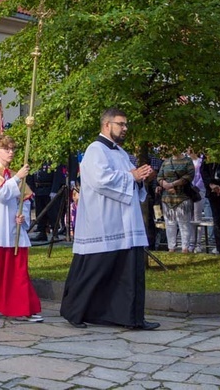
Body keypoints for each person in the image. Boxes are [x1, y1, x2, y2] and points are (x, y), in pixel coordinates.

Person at [60, 108, 159, 330]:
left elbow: (130, 180)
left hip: (125, 223)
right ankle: (74, 311)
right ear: (107, 125)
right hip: (103, 222)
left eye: (126, 124)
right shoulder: (95, 150)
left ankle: (129, 317)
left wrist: (142, 178)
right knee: (96, 270)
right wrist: (131, 176)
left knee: (126, 272)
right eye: (120, 124)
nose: (125, 128)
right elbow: (100, 180)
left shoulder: (121, 153)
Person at [0, 135, 42, 322]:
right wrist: (17, 178)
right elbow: (0, 195)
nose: (11, 152)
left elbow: (24, 201)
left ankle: (23, 307)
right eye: (6, 149)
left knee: (17, 270)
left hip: (13, 230)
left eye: (12, 149)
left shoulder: (12, 174)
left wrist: (23, 216)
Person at [156, 149, 195, 253]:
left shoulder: (188, 161)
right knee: (169, 224)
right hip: (167, 198)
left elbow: (189, 176)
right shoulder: (166, 162)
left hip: (183, 197)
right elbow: (159, 176)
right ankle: (171, 248)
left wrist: (173, 184)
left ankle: (185, 248)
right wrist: (165, 184)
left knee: (184, 223)